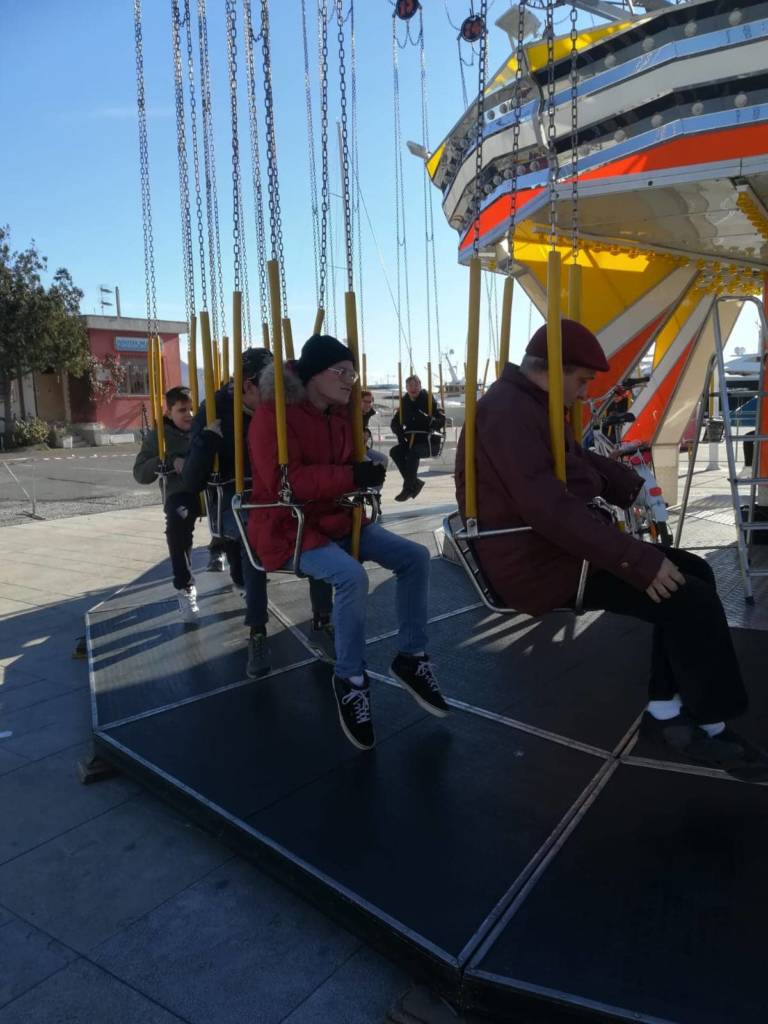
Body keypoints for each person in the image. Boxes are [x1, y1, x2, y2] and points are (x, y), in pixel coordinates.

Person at [455, 318, 768, 783]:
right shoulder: (509, 413)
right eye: (581, 380)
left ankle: (665, 710)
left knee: (694, 574)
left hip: (550, 548)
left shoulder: (530, 406)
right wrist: (637, 561)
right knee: (688, 597)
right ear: (555, 369)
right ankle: (710, 726)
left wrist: (629, 484)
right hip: (537, 562)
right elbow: (547, 506)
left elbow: (575, 462)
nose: (584, 394)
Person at [247, 334, 449, 750]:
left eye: (352, 374)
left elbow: (345, 465)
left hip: (338, 519)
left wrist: (366, 467)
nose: (349, 380)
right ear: (313, 375)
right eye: (341, 372)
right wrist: (351, 476)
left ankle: (411, 657)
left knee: (415, 557)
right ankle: (351, 680)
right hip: (290, 527)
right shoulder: (273, 417)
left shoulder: (341, 415)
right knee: (351, 577)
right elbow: (287, 483)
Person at [183, 347, 334, 679]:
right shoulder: (215, 410)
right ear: (246, 386)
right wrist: (207, 441)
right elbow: (192, 478)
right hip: (238, 497)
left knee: (316, 526)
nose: (273, 394)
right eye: (266, 386)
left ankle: (322, 619)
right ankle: (258, 631)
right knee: (253, 538)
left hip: (278, 491)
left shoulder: (282, 406)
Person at [133, 385, 200, 622]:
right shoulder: (159, 435)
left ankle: (239, 576)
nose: (189, 415)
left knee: (231, 519)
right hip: (181, 490)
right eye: (182, 410)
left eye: (191, 409)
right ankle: (185, 586)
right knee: (177, 524)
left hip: (209, 487)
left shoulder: (202, 424)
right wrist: (167, 461)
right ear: (169, 412)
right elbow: (140, 473)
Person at [389, 375, 445, 502]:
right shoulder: (405, 402)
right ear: (406, 388)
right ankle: (415, 482)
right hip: (412, 443)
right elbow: (394, 423)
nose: (413, 388)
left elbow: (441, 420)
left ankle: (408, 488)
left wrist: (428, 419)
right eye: (410, 385)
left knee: (413, 452)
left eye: (416, 385)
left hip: (430, 443)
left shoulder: (429, 400)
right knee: (395, 452)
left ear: (420, 386)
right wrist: (400, 434)